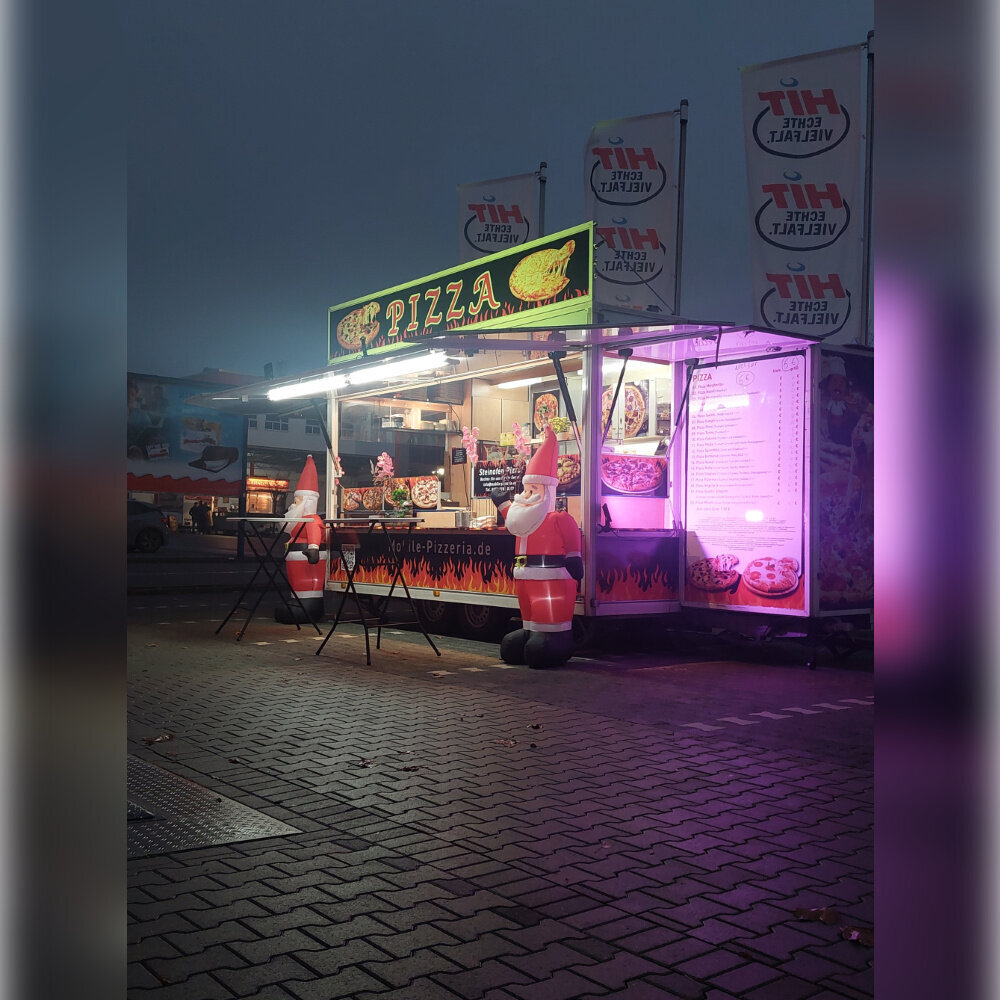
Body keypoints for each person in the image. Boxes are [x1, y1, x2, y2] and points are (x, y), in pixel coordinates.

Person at [491, 427, 583, 668]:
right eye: (526, 489)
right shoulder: (524, 518)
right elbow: (514, 521)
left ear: (547, 491)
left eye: (534, 490)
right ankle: (529, 631)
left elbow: (572, 538)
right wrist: (502, 503)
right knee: (529, 614)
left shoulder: (557, 518)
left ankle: (555, 637)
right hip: (525, 577)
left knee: (547, 613)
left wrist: (574, 557)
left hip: (551, 579)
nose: (527, 495)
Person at [275, 455, 328, 624]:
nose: (294, 504)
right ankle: (297, 599)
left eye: (297, 500)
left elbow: (315, 531)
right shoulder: (299, 520)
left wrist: (313, 548)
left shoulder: (311, 519)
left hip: (305, 560)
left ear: (306, 501)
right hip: (296, 559)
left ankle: (308, 604)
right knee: (296, 582)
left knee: (306, 582)